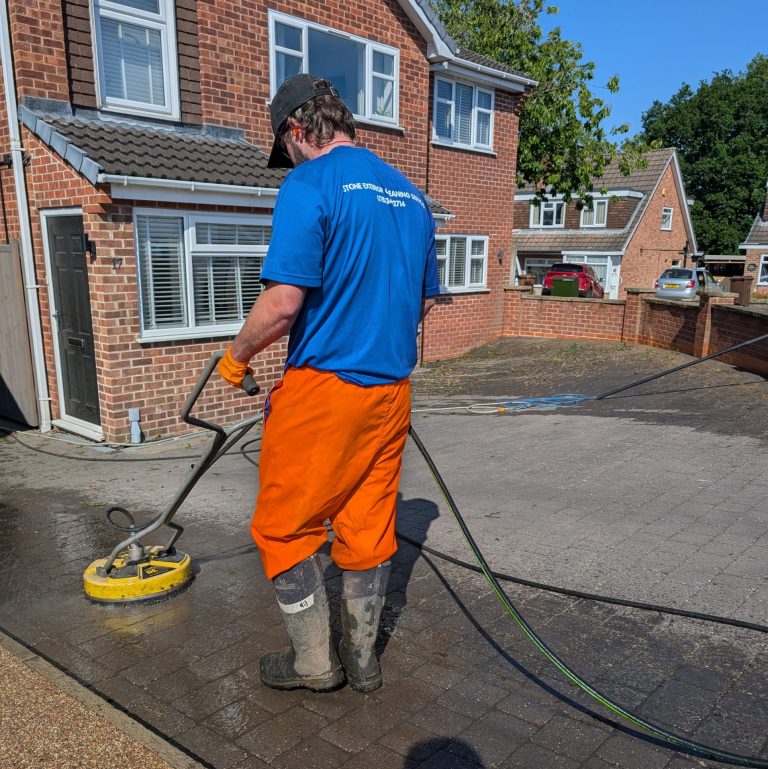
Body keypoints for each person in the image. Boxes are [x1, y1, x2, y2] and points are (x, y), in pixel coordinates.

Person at [218, 73, 439, 693]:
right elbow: (418, 304)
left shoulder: (308, 183)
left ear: (296, 131)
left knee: (283, 527)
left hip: (324, 392)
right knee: (368, 527)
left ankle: (315, 664)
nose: (285, 159)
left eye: (283, 147)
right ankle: (364, 661)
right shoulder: (412, 196)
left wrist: (235, 358)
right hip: (391, 394)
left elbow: (284, 303)